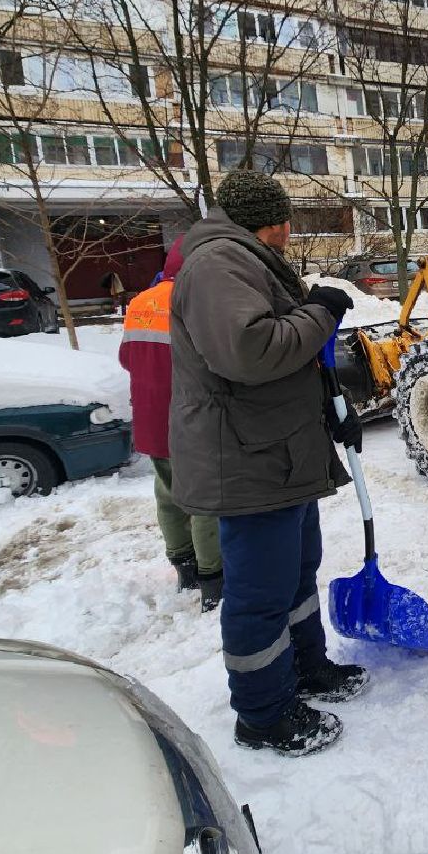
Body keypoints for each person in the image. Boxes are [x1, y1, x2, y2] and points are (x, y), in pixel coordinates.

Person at [169, 169, 367, 757]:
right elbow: (252, 350)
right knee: (259, 591)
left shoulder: (245, 260)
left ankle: (305, 669)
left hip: (279, 449)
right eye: (287, 220)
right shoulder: (216, 267)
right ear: (274, 221)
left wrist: (334, 408)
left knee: (297, 573)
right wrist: (321, 313)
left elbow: (290, 356)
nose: (289, 231)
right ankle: (262, 714)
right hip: (248, 459)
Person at [118, 237, 224, 612]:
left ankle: (184, 567)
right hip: (188, 418)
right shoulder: (194, 302)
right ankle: (214, 578)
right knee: (205, 500)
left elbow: (127, 358)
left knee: (168, 493)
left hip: (149, 417)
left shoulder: (140, 303)